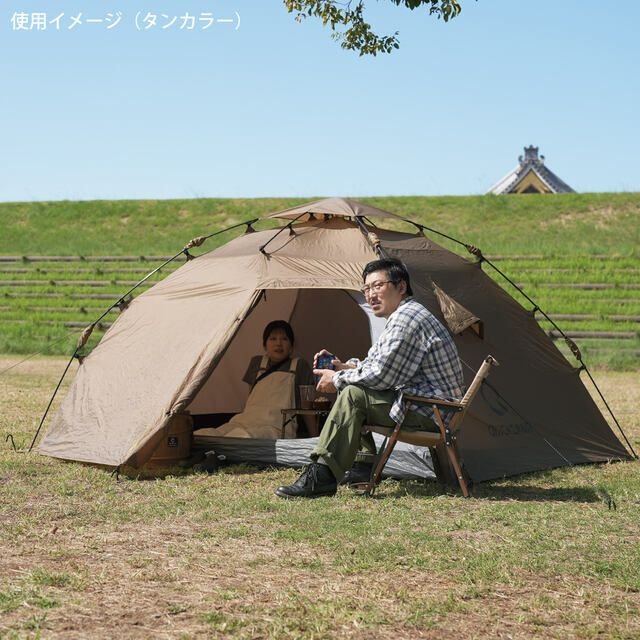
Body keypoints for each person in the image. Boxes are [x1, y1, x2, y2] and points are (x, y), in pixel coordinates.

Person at [275, 258, 465, 499]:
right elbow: (377, 364)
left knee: (353, 394)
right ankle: (361, 466)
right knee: (354, 385)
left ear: (401, 287)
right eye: (366, 289)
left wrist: (337, 378)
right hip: (429, 407)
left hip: (430, 412)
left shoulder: (407, 319)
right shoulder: (404, 315)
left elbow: (381, 376)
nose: (371, 295)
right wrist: (344, 367)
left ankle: (322, 476)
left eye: (378, 286)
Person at [208, 320, 314, 439]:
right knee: (207, 434)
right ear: (265, 345)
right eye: (273, 338)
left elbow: (308, 408)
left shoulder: (300, 365)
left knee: (242, 437)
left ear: (291, 346)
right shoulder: (257, 363)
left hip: (277, 428)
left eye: (284, 339)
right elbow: (251, 398)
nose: (278, 343)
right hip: (246, 422)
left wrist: (315, 438)